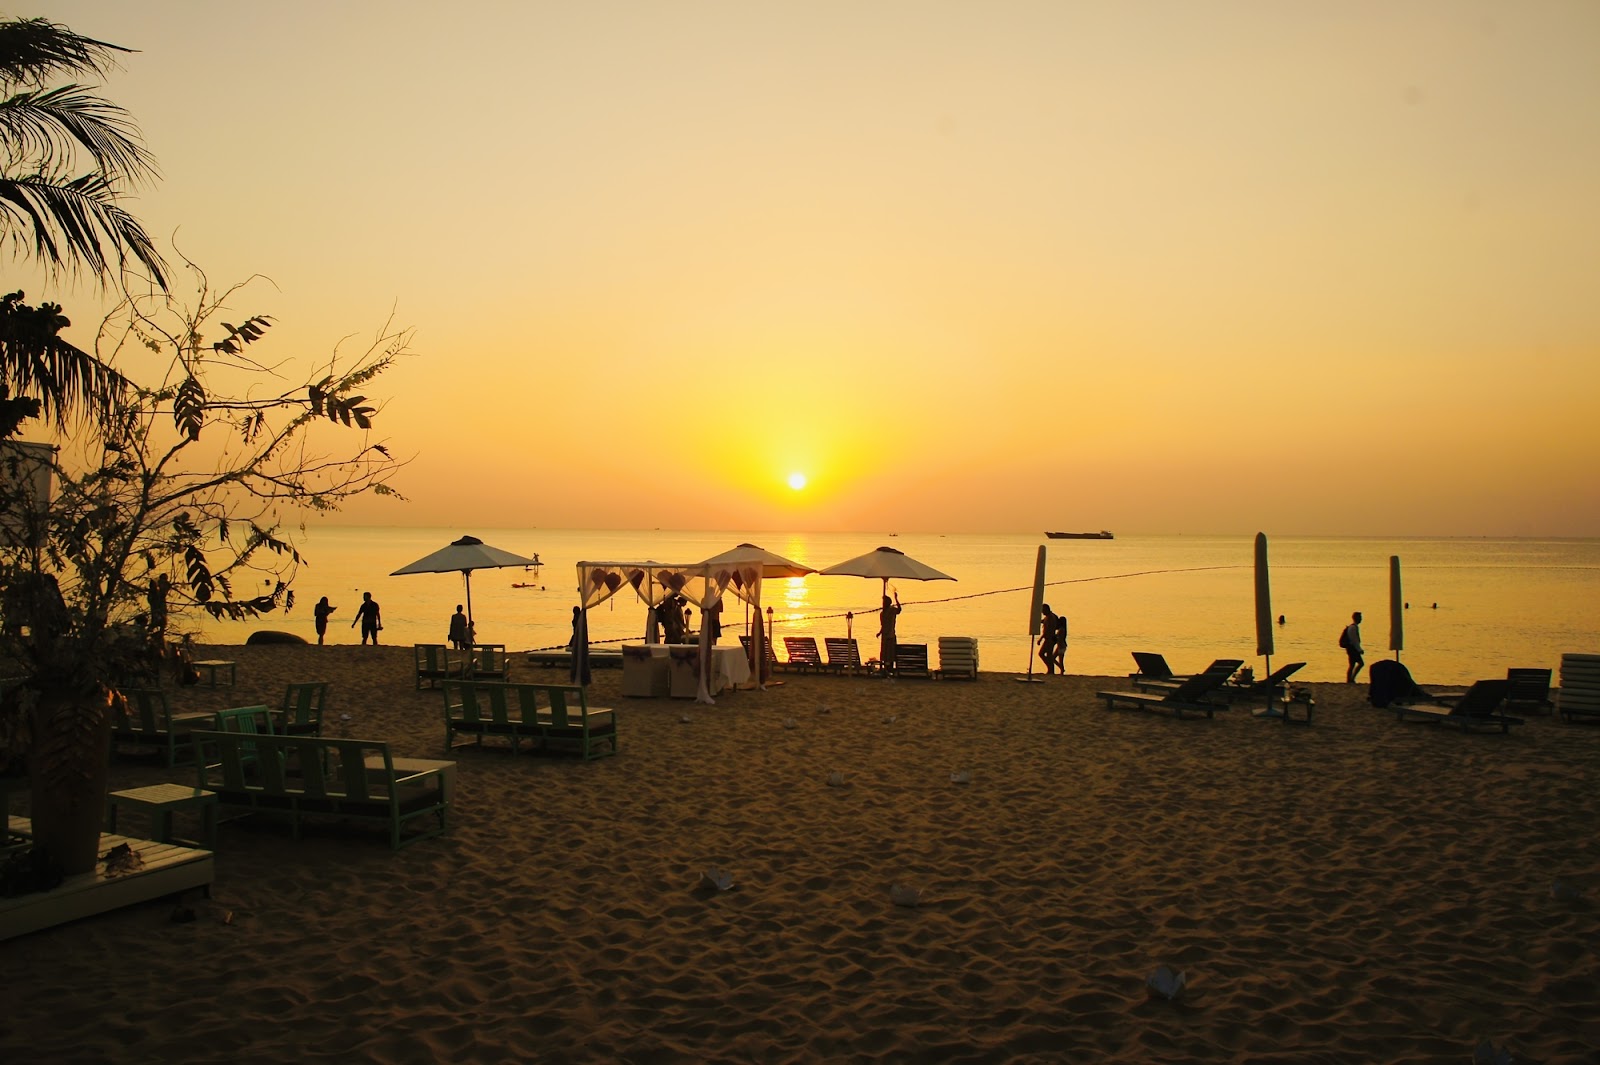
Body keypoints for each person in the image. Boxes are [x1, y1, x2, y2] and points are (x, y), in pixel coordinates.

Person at [877, 591, 902, 671]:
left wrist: (896, 598)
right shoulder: (882, 613)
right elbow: (883, 625)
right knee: (885, 654)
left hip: (890, 636)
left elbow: (899, 610)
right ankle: (886, 668)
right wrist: (880, 632)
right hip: (885, 636)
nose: (883, 603)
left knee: (890, 654)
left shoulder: (891, 610)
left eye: (884, 602)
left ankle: (889, 668)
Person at [1343, 610, 1364, 683]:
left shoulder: (1353, 627)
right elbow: (1354, 640)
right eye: (1360, 617)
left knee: (1352, 665)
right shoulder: (1353, 628)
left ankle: (1350, 679)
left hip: (1351, 648)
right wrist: (1359, 649)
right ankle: (1351, 678)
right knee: (1360, 663)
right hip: (1353, 649)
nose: (1361, 619)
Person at [1038, 603, 1059, 674]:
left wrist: (1040, 639)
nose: (1042, 612)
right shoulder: (1047, 617)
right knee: (1048, 655)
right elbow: (1043, 621)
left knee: (1042, 653)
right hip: (1048, 639)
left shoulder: (1050, 617)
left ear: (1046, 609)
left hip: (1050, 639)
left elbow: (1048, 630)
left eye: (1043, 610)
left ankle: (1050, 669)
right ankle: (1050, 670)